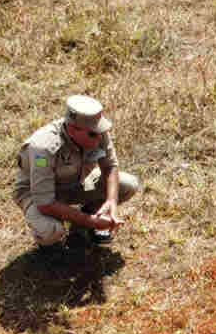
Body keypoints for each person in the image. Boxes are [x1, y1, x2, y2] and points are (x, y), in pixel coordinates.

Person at [13, 94, 140, 249]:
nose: (100, 137)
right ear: (73, 130)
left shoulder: (96, 131)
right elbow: (44, 203)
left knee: (128, 184)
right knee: (50, 231)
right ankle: (51, 247)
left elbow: (110, 166)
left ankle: (90, 212)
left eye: (101, 130)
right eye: (93, 134)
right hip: (39, 192)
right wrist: (90, 221)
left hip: (77, 182)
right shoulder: (42, 148)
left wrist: (111, 201)